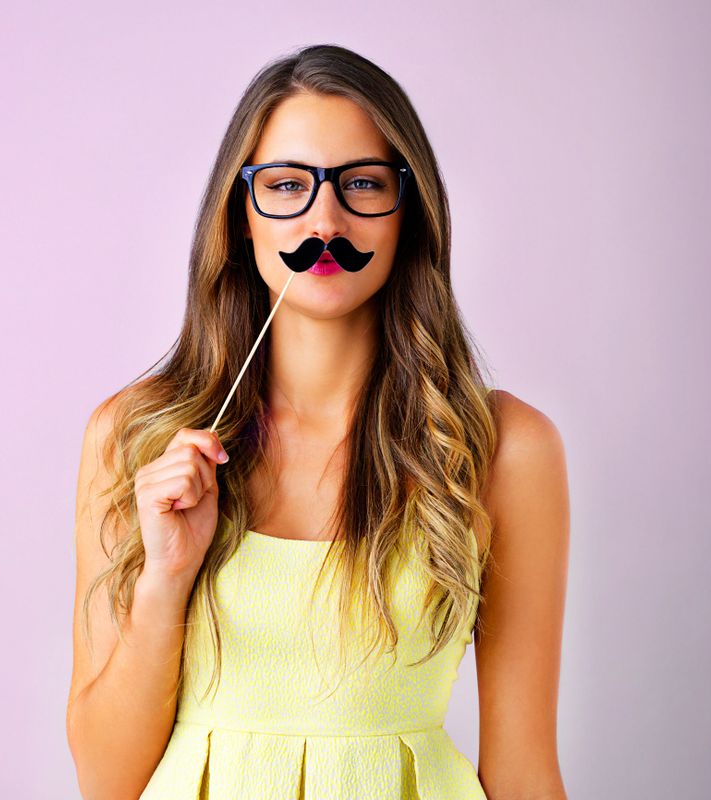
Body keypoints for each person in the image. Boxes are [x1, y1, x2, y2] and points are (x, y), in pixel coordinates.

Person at [66, 44, 570, 800]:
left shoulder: (503, 452)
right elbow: (105, 782)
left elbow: (524, 771)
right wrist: (168, 575)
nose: (324, 218)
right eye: (287, 185)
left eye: (362, 183)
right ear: (240, 216)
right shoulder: (138, 435)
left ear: (410, 210)